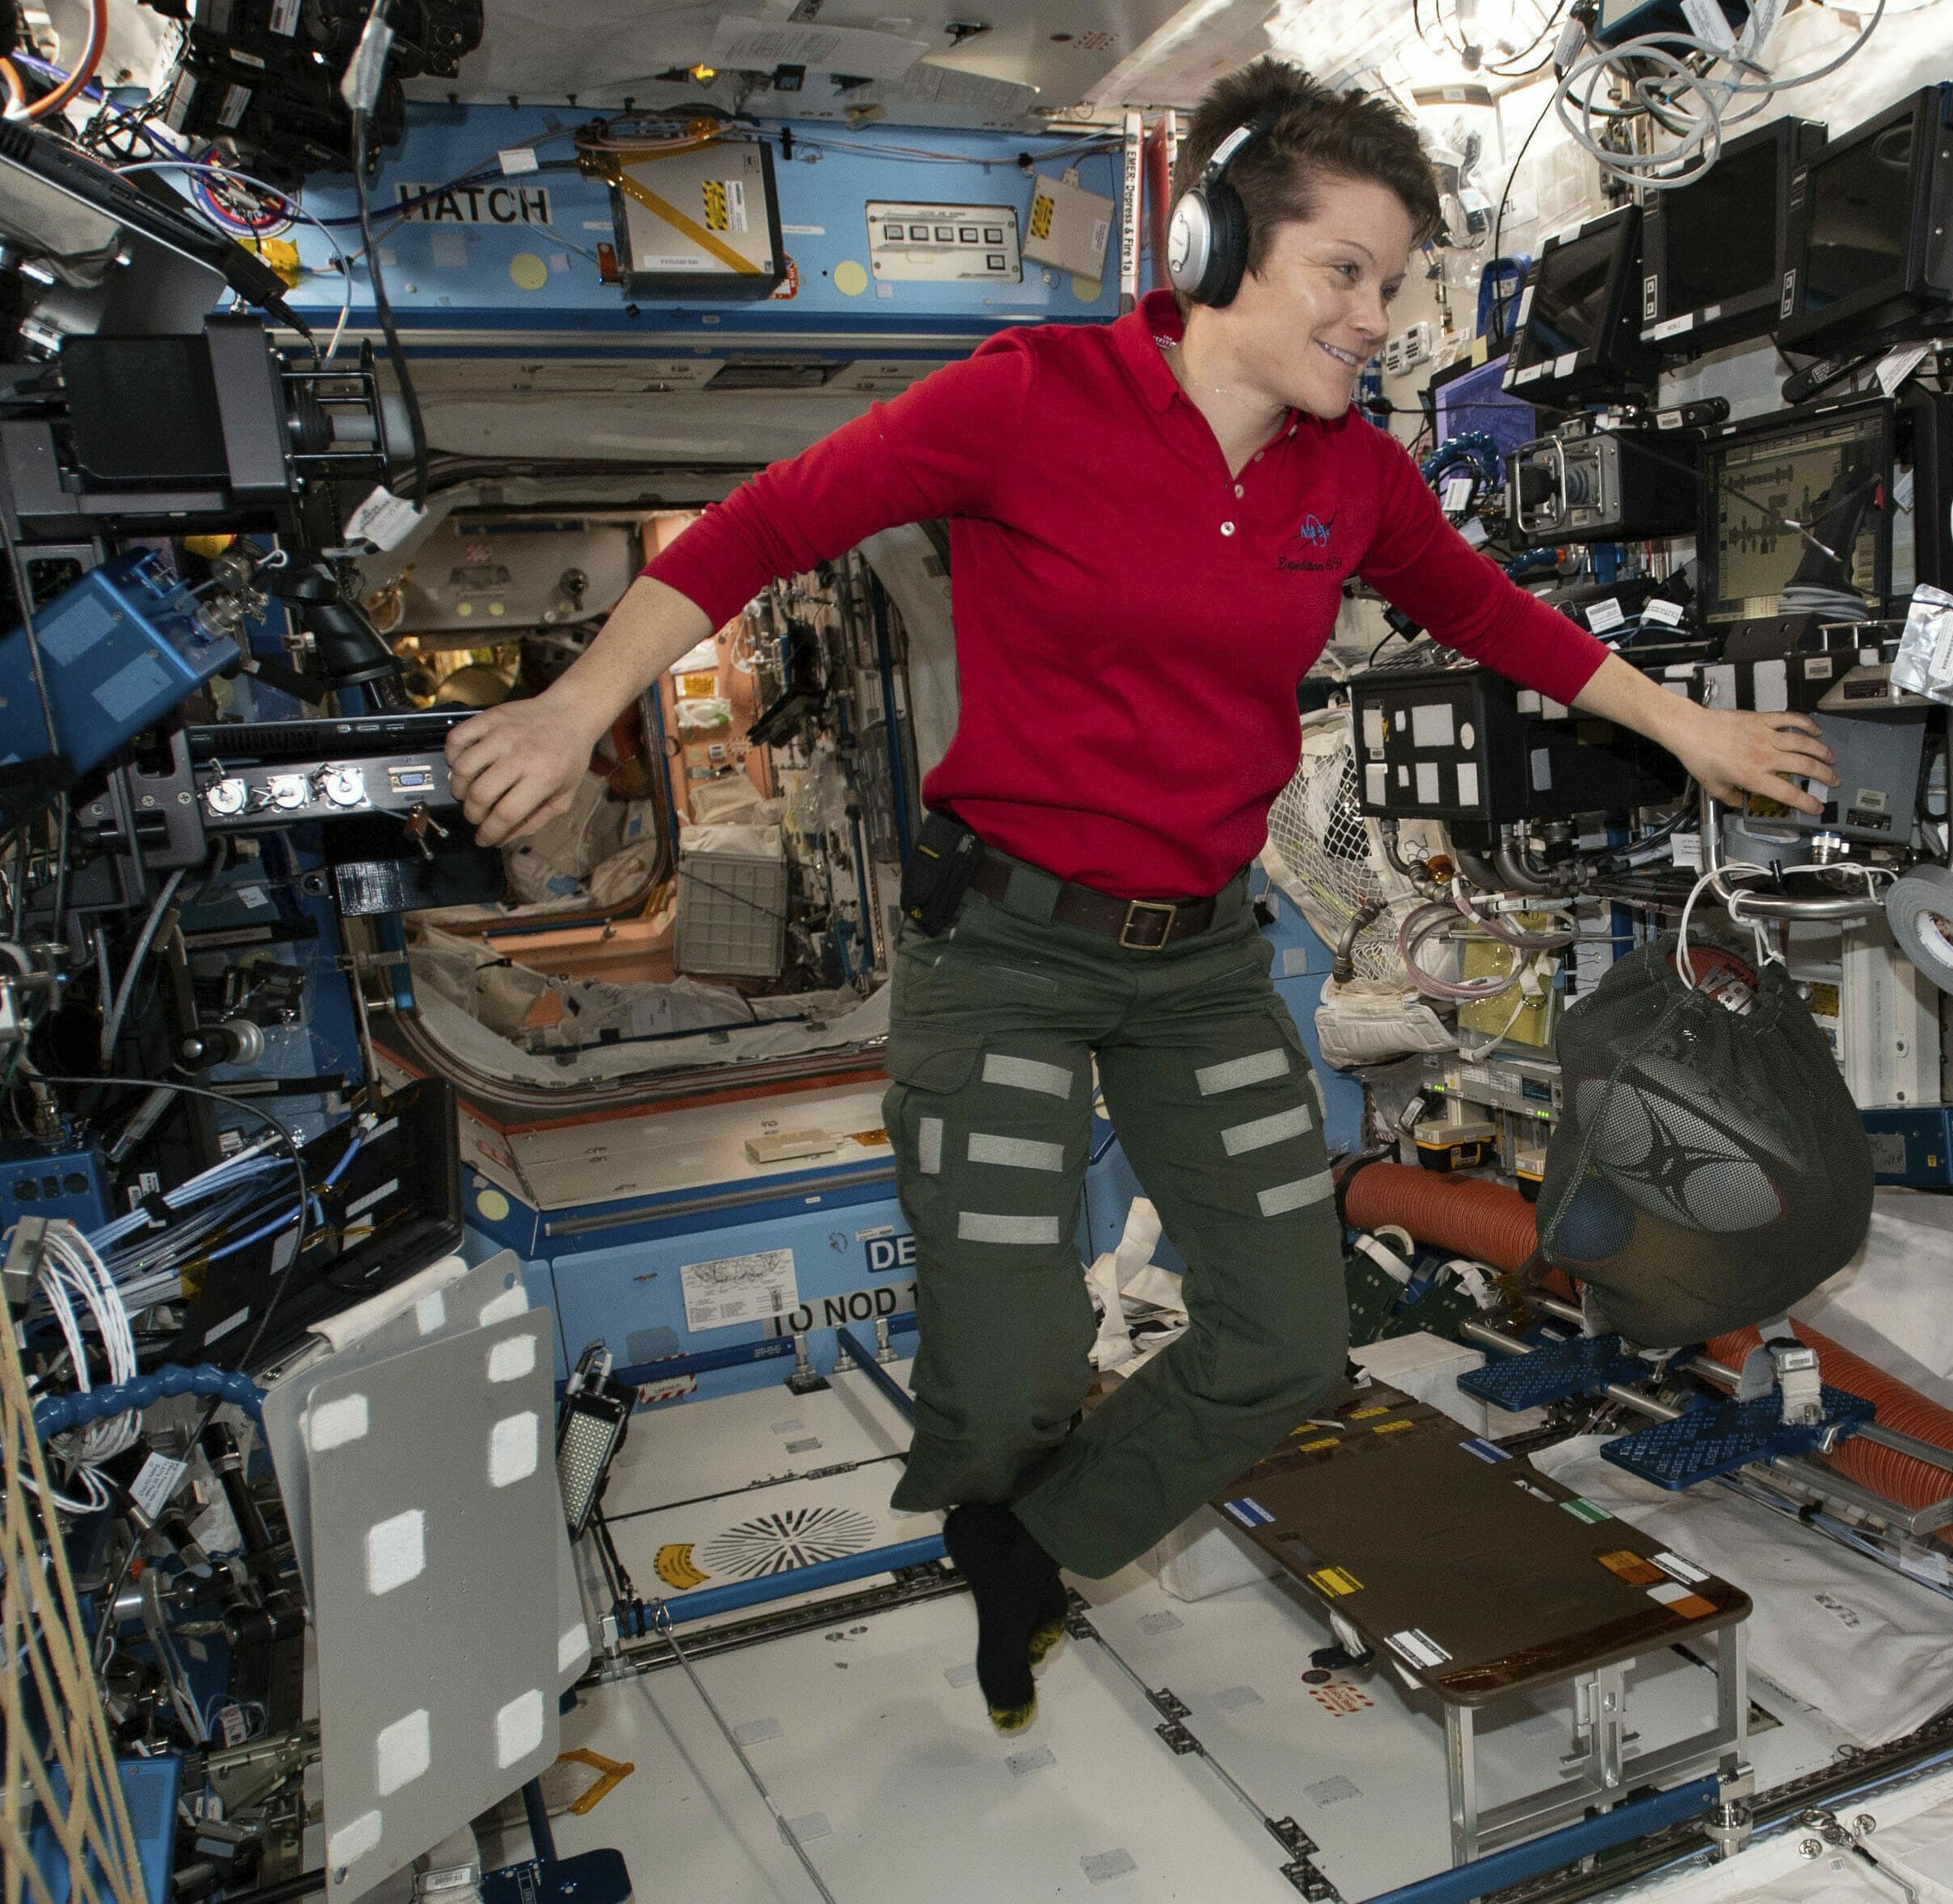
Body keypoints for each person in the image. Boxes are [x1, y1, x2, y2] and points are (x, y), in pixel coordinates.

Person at [443, 60, 1836, 1736]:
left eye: (1395, 283)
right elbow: (757, 527)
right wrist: (576, 703)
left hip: (1201, 966)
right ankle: (998, 1489)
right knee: (1020, 1366)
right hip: (1010, 954)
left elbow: (1496, 619)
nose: (1377, 317)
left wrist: (1691, 725)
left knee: (1284, 1339)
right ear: (1220, 237)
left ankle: (1037, 1543)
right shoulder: (1032, 399)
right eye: (1348, 270)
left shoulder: (1358, 479)